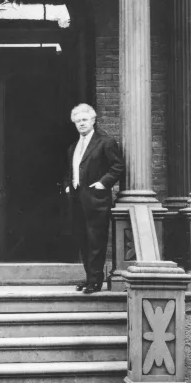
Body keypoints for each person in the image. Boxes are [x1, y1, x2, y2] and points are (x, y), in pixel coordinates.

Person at [64, 103, 124, 294]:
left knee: (96, 239)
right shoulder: (73, 147)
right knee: (82, 238)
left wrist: (102, 184)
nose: (81, 124)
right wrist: (68, 185)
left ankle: (95, 281)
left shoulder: (105, 142)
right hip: (77, 199)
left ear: (93, 120)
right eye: (77, 121)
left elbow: (117, 167)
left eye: (84, 120)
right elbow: (70, 170)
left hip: (96, 199)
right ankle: (90, 276)